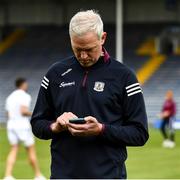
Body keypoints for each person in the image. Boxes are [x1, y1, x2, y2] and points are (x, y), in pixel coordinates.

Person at [31, 10, 149, 179]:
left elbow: (139, 134)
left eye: (89, 49)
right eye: (77, 49)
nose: (83, 56)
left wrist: (101, 129)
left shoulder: (124, 77)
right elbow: (37, 124)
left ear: (103, 38)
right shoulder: (55, 74)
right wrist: (55, 126)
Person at [4, 78, 45, 180]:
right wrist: (36, 114)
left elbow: (8, 114)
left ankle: (8, 176)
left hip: (11, 125)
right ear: (23, 84)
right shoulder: (25, 96)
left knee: (13, 149)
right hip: (22, 125)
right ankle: (38, 175)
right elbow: (23, 111)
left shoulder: (10, 97)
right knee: (31, 150)